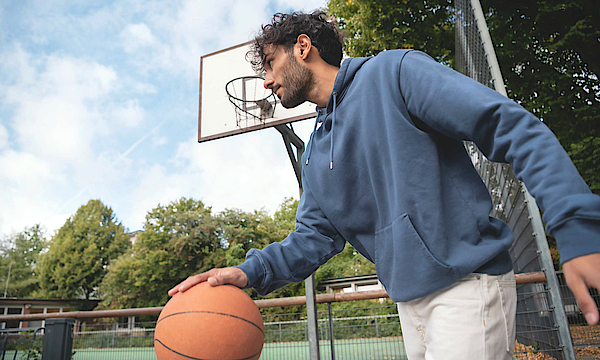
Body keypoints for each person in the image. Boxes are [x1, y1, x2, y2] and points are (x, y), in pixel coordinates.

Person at [170, 10, 600, 359]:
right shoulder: (317, 152)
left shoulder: (394, 72)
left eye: (270, 63)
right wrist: (248, 272)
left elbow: (505, 124)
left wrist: (576, 225)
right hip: (408, 305)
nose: (265, 81)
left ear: (303, 47)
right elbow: (313, 238)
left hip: (466, 287)